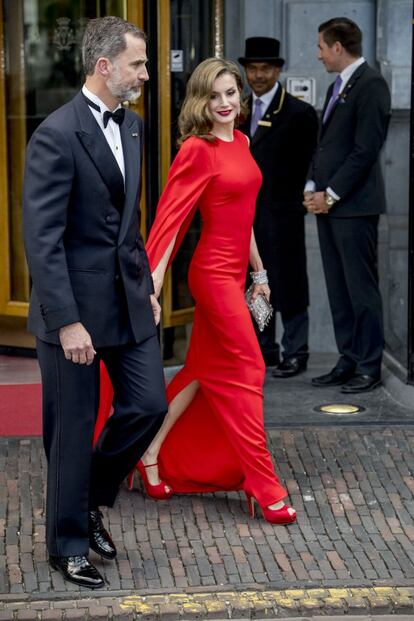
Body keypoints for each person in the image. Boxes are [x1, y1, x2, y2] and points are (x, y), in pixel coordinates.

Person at [97, 57, 296, 525]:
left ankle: (148, 454)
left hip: (237, 276)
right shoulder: (197, 150)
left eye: (231, 93)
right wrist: (154, 284)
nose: (225, 103)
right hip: (210, 276)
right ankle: (262, 482)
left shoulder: (243, 142)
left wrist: (261, 274)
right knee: (249, 368)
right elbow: (171, 219)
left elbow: (243, 216)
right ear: (200, 102)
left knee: (201, 370)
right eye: (214, 95)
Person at [23, 16, 167, 589]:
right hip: (73, 316)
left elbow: (126, 226)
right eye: (138, 63)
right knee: (71, 431)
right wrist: (68, 323)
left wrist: (147, 289)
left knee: (148, 404)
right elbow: (43, 240)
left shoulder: (132, 127)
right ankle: (67, 546)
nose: (146, 74)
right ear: (104, 65)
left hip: (128, 302)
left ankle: (88, 499)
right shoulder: (55, 134)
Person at [304, 17, 391, 394]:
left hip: (354, 208)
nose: (319, 54)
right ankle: (348, 358)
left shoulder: (371, 85)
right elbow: (324, 146)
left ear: (338, 47)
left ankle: (369, 366)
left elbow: (365, 150)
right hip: (328, 206)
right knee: (338, 289)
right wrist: (311, 187)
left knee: (361, 290)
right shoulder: (336, 87)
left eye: (322, 46)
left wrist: (331, 194)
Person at [238, 37, 318, 376]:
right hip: (248, 217)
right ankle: (264, 348)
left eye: (265, 69)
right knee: (258, 280)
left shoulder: (299, 113)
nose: (258, 76)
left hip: (283, 215)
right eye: (252, 69)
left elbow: (312, 161)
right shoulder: (237, 109)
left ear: (278, 70)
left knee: (291, 284)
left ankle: (296, 351)